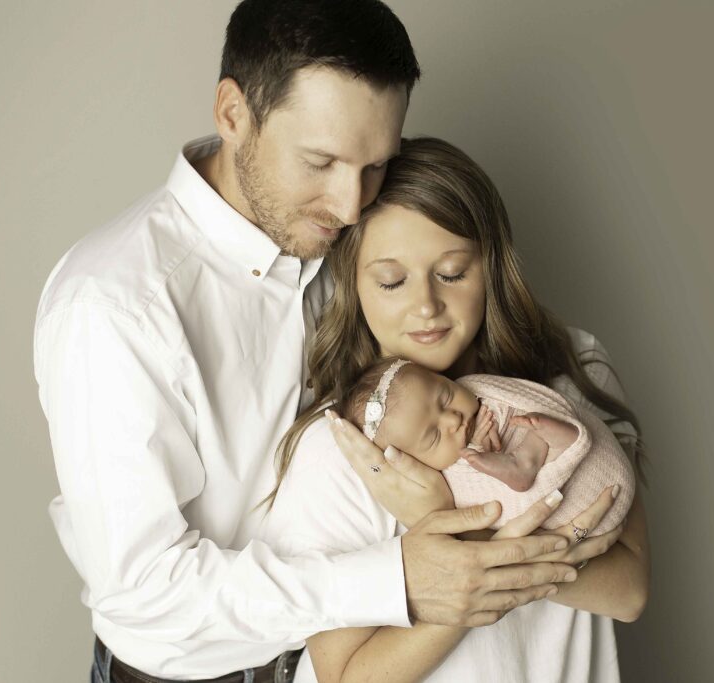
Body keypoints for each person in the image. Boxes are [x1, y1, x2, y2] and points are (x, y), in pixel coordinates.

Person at [33, 3, 577, 681]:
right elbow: (148, 590)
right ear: (233, 114)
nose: (350, 204)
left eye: (375, 165)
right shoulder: (114, 304)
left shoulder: (352, 247)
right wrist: (393, 578)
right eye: (320, 161)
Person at [259, 136, 651, 682]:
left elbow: (628, 591)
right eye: (392, 281)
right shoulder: (346, 447)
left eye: (451, 273)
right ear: (353, 284)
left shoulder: (572, 371)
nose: (426, 306)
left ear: (490, 266)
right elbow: (345, 675)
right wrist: (468, 548)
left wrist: (454, 529)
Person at [340, 357, 635, 534]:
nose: (453, 419)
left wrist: (484, 437)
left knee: (533, 421)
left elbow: (515, 401)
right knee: (524, 446)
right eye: (433, 436)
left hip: (600, 463)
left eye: (445, 397)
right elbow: (479, 490)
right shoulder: (445, 479)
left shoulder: (478, 391)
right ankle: (534, 458)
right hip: (564, 503)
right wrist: (479, 449)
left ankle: (543, 449)